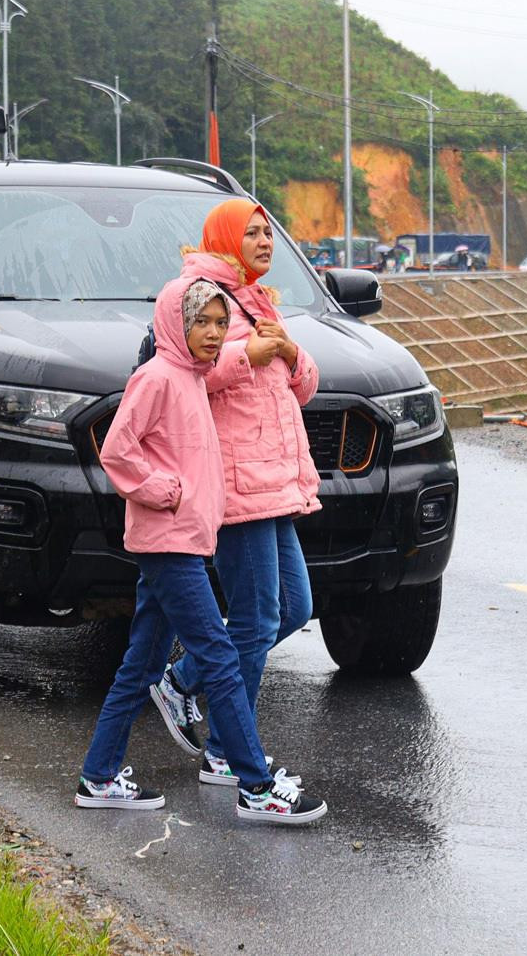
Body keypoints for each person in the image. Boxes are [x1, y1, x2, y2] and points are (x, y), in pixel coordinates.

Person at [76, 275, 326, 826]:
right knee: (218, 656)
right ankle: (254, 785)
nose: (213, 333)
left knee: (140, 662)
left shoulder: (193, 378)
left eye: (219, 322)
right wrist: (164, 491)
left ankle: (98, 776)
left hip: (185, 540)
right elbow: (117, 450)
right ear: (175, 324)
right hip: (168, 543)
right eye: (201, 322)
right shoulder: (158, 377)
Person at [153, 200, 321, 787]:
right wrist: (245, 355)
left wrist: (293, 354)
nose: (265, 241)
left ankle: (182, 680)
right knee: (253, 620)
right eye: (251, 233)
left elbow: (301, 389)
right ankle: (225, 750)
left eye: (269, 231)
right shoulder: (199, 294)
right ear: (225, 237)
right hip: (236, 482)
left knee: (295, 607)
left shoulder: (256, 299)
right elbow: (185, 367)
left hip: (276, 482)